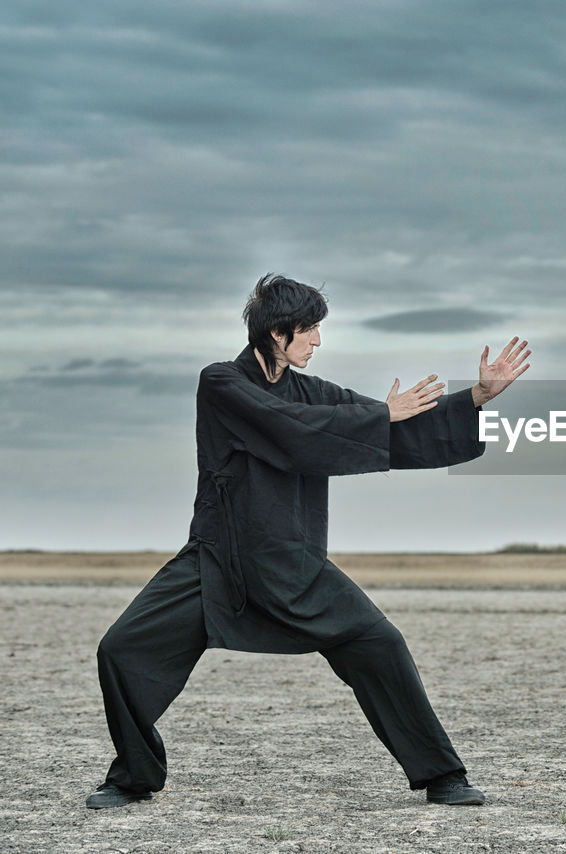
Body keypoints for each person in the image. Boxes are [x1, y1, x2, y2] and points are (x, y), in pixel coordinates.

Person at [87, 274, 531, 810]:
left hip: (296, 565)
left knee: (381, 645)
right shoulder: (222, 383)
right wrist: (376, 414)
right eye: (310, 329)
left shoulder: (316, 394)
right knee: (121, 650)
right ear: (277, 332)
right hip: (218, 562)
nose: (317, 341)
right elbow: (290, 428)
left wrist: (478, 396)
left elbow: (384, 428)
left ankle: (443, 776)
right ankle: (134, 777)